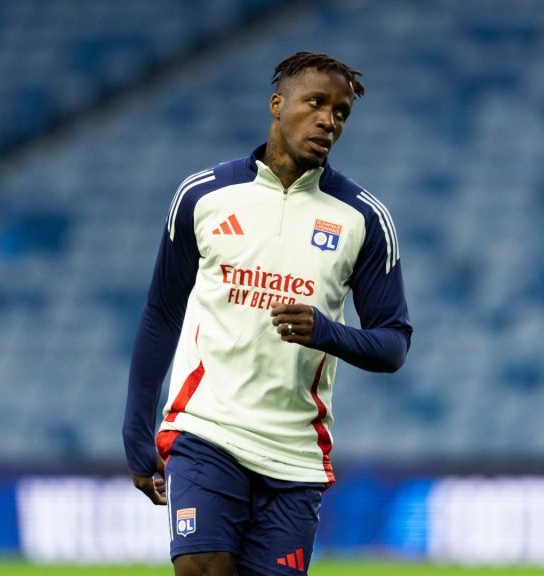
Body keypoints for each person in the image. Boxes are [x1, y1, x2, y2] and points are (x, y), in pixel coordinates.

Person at [122, 51, 412, 576]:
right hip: (207, 430)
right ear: (278, 105)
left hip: (294, 454)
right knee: (202, 568)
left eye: (341, 112)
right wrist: (136, 431)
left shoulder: (363, 220)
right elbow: (161, 314)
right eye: (316, 103)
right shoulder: (204, 196)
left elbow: (393, 344)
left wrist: (325, 332)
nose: (329, 120)